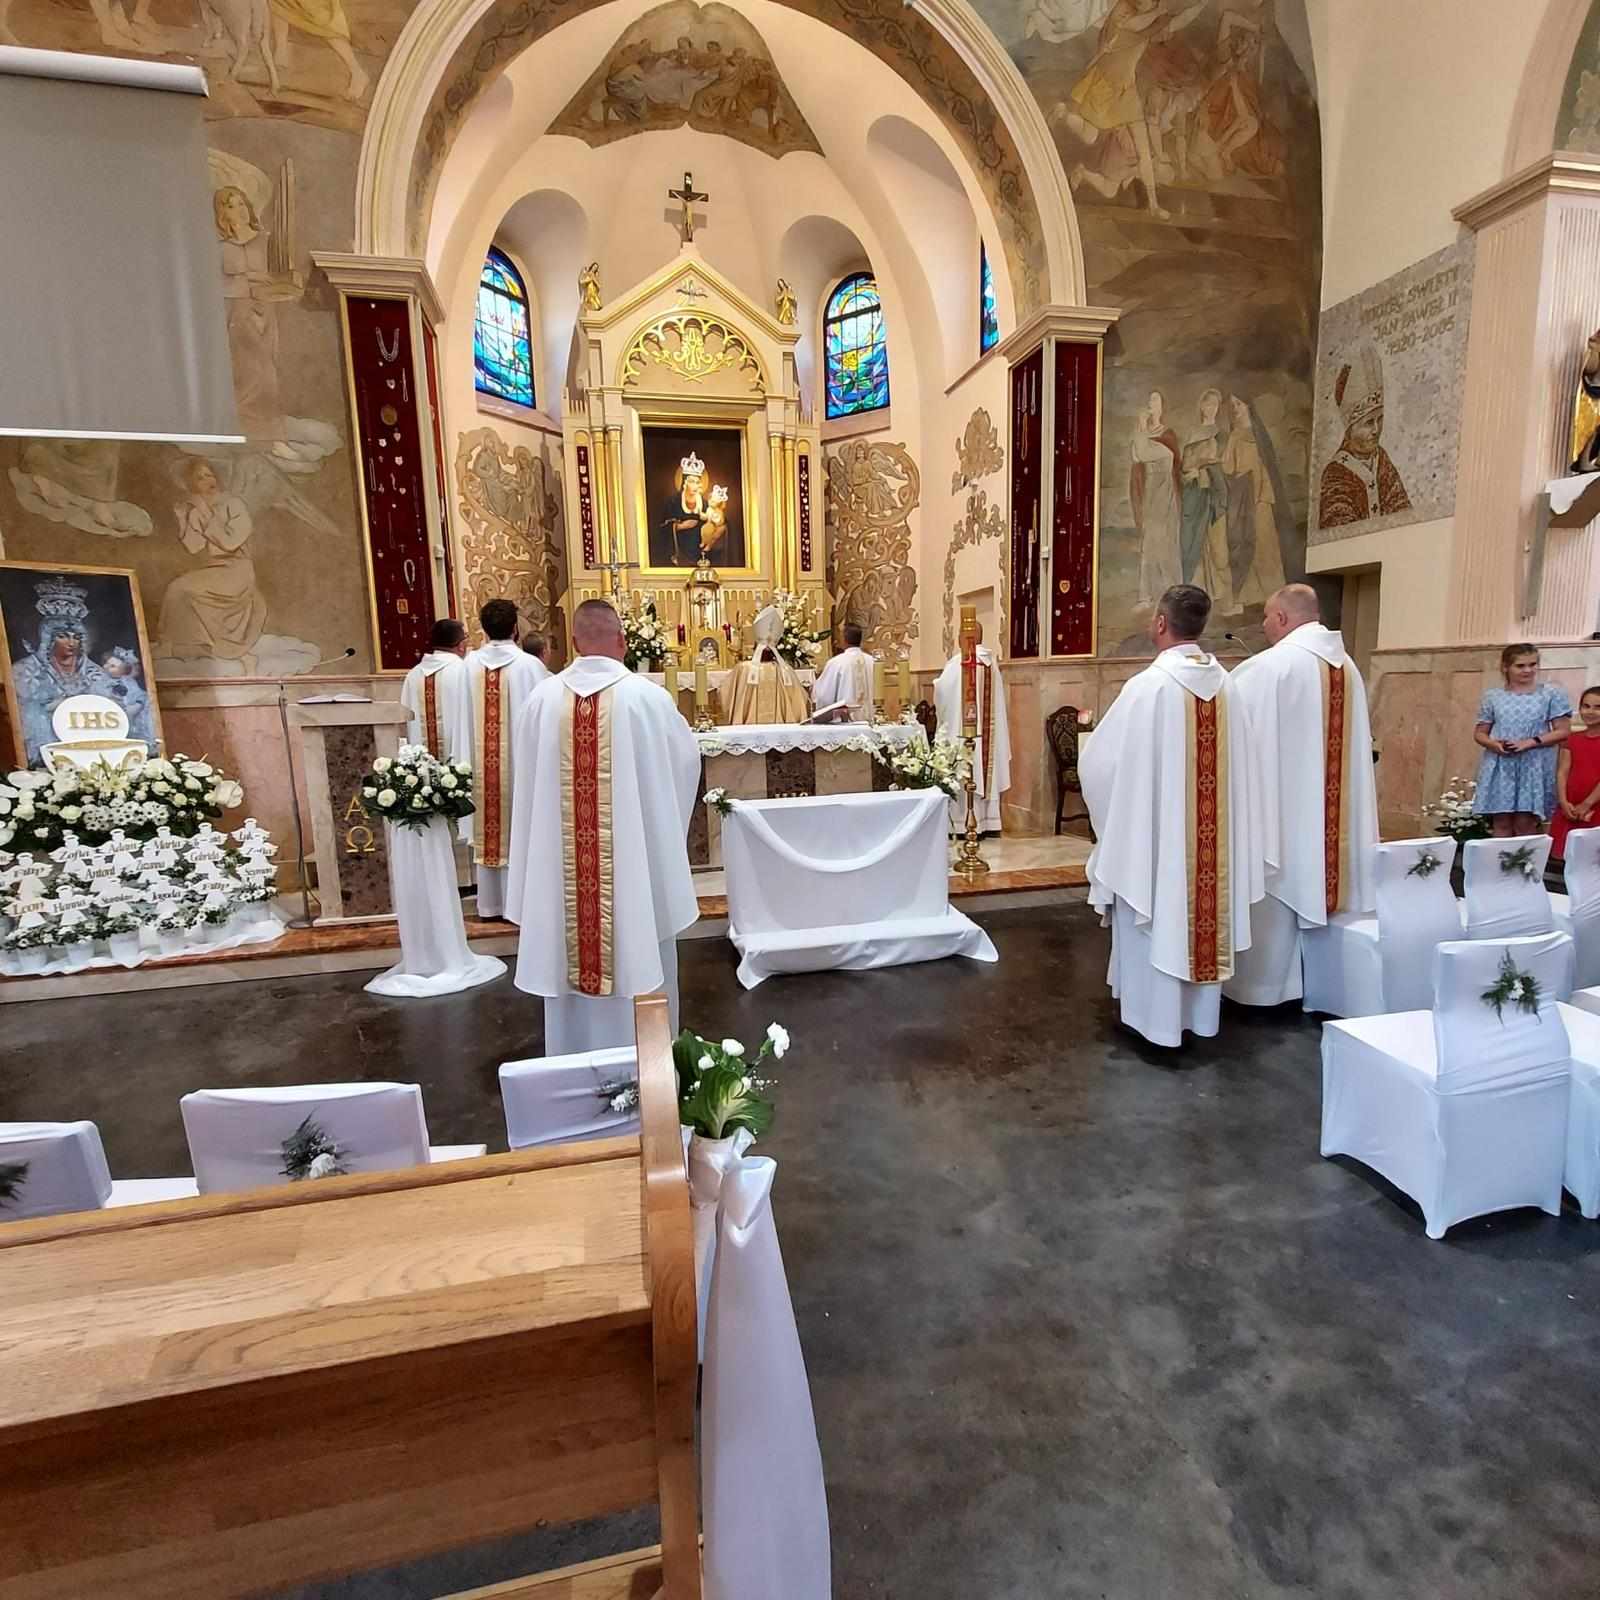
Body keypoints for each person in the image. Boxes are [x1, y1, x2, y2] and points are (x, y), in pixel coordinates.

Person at [507, 599, 701, 1053]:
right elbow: (684, 766)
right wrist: (653, 834)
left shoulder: (541, 700)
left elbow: (527, 786)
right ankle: (648, 1071)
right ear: (623, 641)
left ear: (574, 643)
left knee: (565, 960)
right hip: (634, 884)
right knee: (641, 955)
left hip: (561, 885)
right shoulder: (649, 699)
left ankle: (569, 1063)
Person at [1080, 584, 1262, 1047]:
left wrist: (1120, 825)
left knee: (1157, 910)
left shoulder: (1148, 688)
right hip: (1212, 851)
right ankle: (1200, 1020)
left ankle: (1155, 1024)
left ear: (1161, 623)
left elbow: (1098, 765)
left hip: (1156, 847)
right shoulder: (1229, 687)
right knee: (1202, 914)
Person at [1223, 584, 1377, 1008]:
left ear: (1283, 618)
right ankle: (1324, 986)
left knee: (1280, 879)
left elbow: (1233, 743)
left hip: (1284, 815)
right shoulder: (1347, 667)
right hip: (1328, 817)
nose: (1264, 625)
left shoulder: (1269, 668)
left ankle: (1265, 989)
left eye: (1267, 617)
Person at [464, 600, 549, 919]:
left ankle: (490, 904)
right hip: (521, 769)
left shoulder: (468, 666)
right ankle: (521, 904)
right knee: (521, 825)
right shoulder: (530, 667)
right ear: (515, 628)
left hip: (480, 771)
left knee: (489, 824)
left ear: (484, 629)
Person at [1472, 644, 1572, 838]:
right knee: (1501, 822)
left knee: (1525, 822)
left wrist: (1529, 742)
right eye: (1520, 666)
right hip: (1501, 764)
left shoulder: (1550, 693)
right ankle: (1499, 858)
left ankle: (1526, 858)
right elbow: (1480, 733)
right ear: (1505, 667)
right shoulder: (1493, 696)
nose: (1528, 670)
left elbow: (1563, 731)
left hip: (1533, 763)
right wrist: (1494, 745)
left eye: (1532, 664)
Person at [1318, 344, 1411, 529]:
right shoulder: (1336, 473)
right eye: (1368, 422)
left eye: (1380, 419)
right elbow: (1339, 527)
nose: (1376, 429)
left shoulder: (1381, 459)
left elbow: (1401, 507)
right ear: (1350, 428)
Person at [933, 620, 1011, 835]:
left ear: (964, 637)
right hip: (985, 738)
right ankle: (988, 823)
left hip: (962, 733)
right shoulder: (991, 664)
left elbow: (942, 695)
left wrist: (936, 686)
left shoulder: (958, 663)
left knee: (964, 768)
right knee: (983, 767)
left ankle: (961, 823)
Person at [727, 603, 809, 725]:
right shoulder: (786, 670)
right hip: (782, 732)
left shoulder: (743, 669)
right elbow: (800, 700)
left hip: (748, 731)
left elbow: (726, 695)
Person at [400, 619, 470, 761]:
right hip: (459, 760)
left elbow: (404, 718)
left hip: (420, 765)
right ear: (461, 645)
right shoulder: (463, 671)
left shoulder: (413, 675)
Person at [1553, 686, 1600, 862]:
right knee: (1568, 857)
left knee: (1591, 859)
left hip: (1594, 804)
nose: (1590, 712)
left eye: (1598, 707)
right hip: (1571, 806)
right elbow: (1562, 771)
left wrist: (1587, 804)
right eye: (1586, 706)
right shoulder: (1572, 739)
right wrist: (1563, 801)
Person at [811, 622, 874, 721]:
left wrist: (813, 688)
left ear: (844, 640)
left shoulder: (836, 662)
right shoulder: (872, 661)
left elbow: (823, 696)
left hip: (845, 723)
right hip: (870, 721)